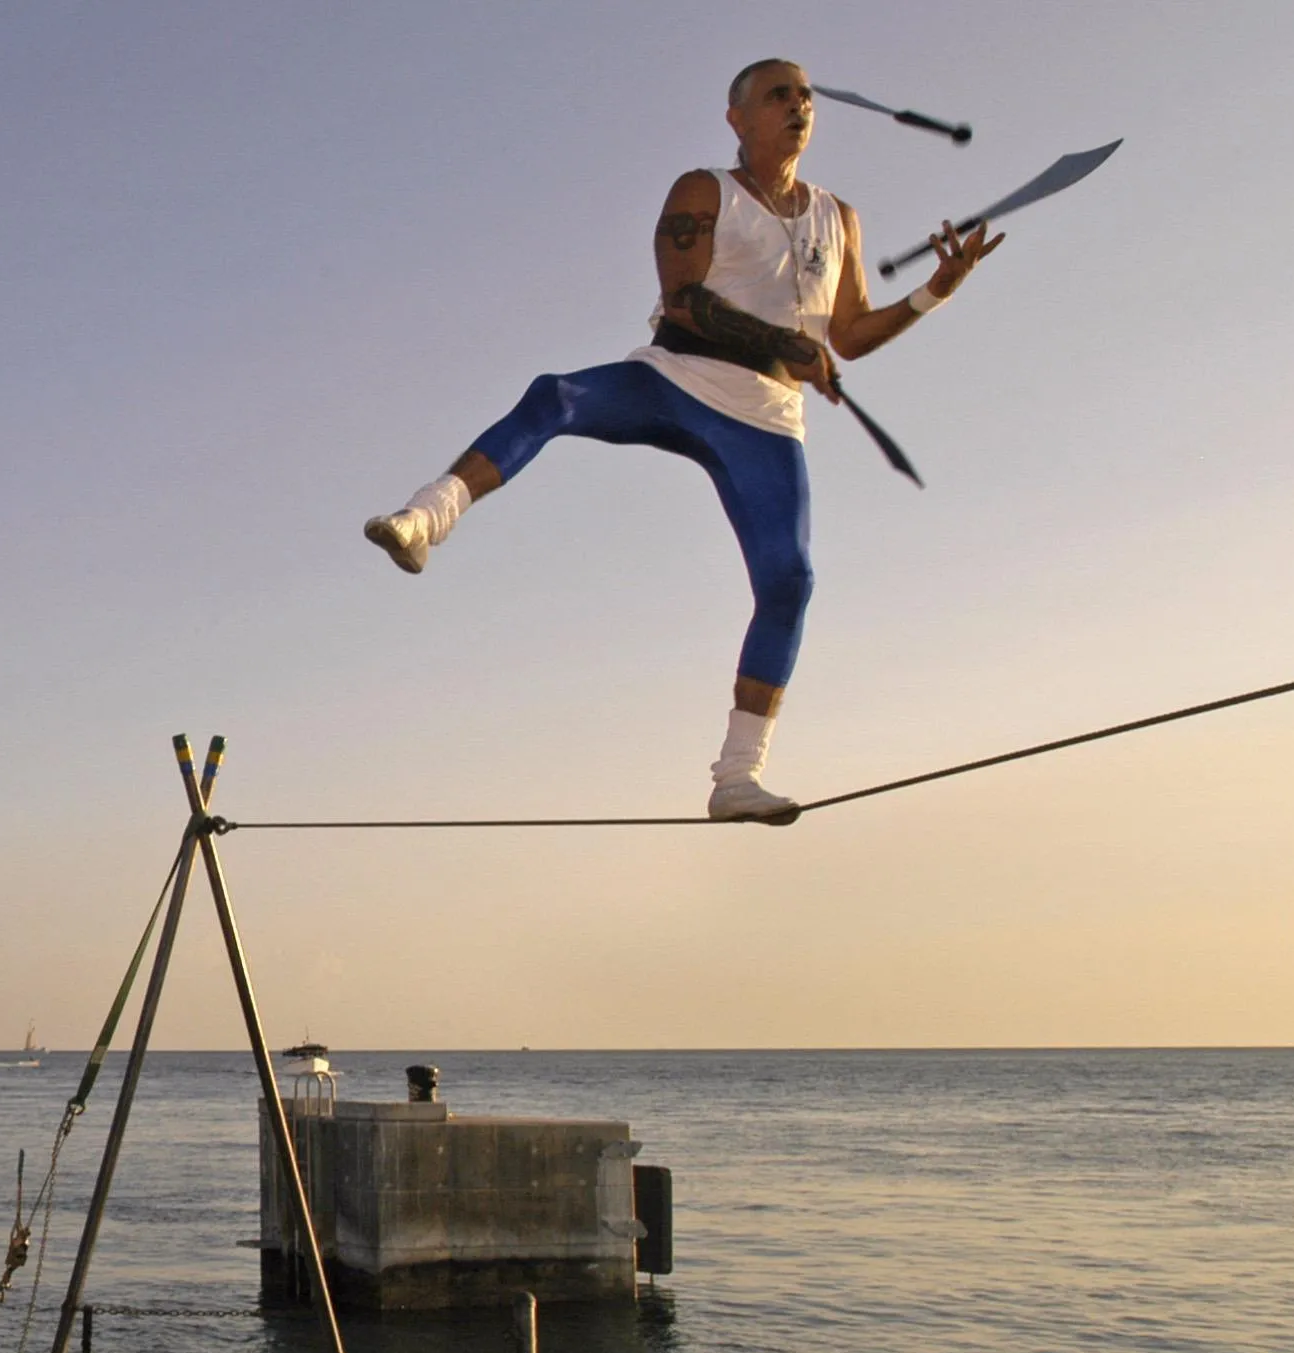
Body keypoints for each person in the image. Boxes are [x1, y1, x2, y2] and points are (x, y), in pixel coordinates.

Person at [360, 58, 1004, 822]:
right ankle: (426, 517)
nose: (798, 104)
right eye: (778, 94)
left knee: (790, 582)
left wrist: (936, 292)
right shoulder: (703, 192)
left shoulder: (840, 216)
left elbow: (852, 336)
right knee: (555, 395)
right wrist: (787, 343)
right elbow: (685, 300)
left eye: (804, 95)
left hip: (767, 416)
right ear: (738, 118)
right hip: (676, 376)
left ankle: (736, 776)